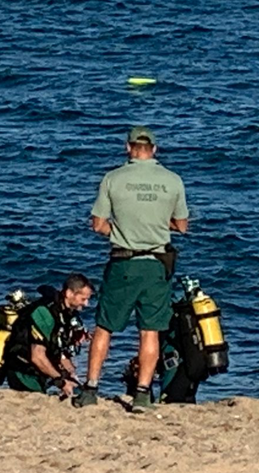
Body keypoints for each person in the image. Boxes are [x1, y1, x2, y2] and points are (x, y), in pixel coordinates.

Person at [75, 126, 189, 412]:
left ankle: (90, 388)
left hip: (123, 262)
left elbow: (98, 225)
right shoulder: (173, 181)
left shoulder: (112, 179)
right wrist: (154, 224)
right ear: (155, 149)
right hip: (156, 264)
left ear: (128, 148)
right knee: (149, 332)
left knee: (104, 327)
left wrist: (123, 228)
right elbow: (182, 226)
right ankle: (142, 394)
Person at [4, 274, 94, 396]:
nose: (86, 304)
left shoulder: (66, 314)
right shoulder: (44, 313)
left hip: (41, 372)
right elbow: (37, 356)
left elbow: (61, 351)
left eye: (88, 299)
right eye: (83, 299)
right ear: (69, 293)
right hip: (23, 372)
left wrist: (72, 378)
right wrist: (61, 382)